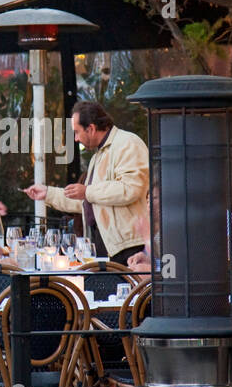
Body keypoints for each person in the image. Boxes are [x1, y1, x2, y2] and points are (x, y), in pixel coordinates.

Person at [24, 101, 148, 265]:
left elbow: (131, 189)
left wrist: (87, 192)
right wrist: (48, 193)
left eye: (77, 132)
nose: (75, 139)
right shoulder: (99, 155)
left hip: (128, 248)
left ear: (90, 128)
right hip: (108, 247)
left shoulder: (128, 143)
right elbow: (87, 201)